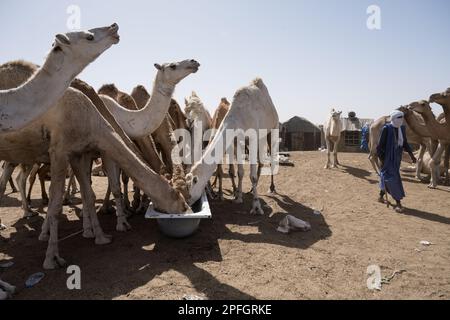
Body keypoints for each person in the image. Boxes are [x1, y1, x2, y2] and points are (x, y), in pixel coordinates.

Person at [377, 110, 416, 212]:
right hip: (387, 160)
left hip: (397, 159)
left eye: (402, 118)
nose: (401, 120)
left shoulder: (401, 129)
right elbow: (379, 147)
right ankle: (398, 202)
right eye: (399, 118)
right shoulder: (386, 129)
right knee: (393, 180)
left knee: (388, 178)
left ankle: (381, 196)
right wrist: (383, 160)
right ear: (393, 118)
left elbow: (405, 143)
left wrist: (412, 155)